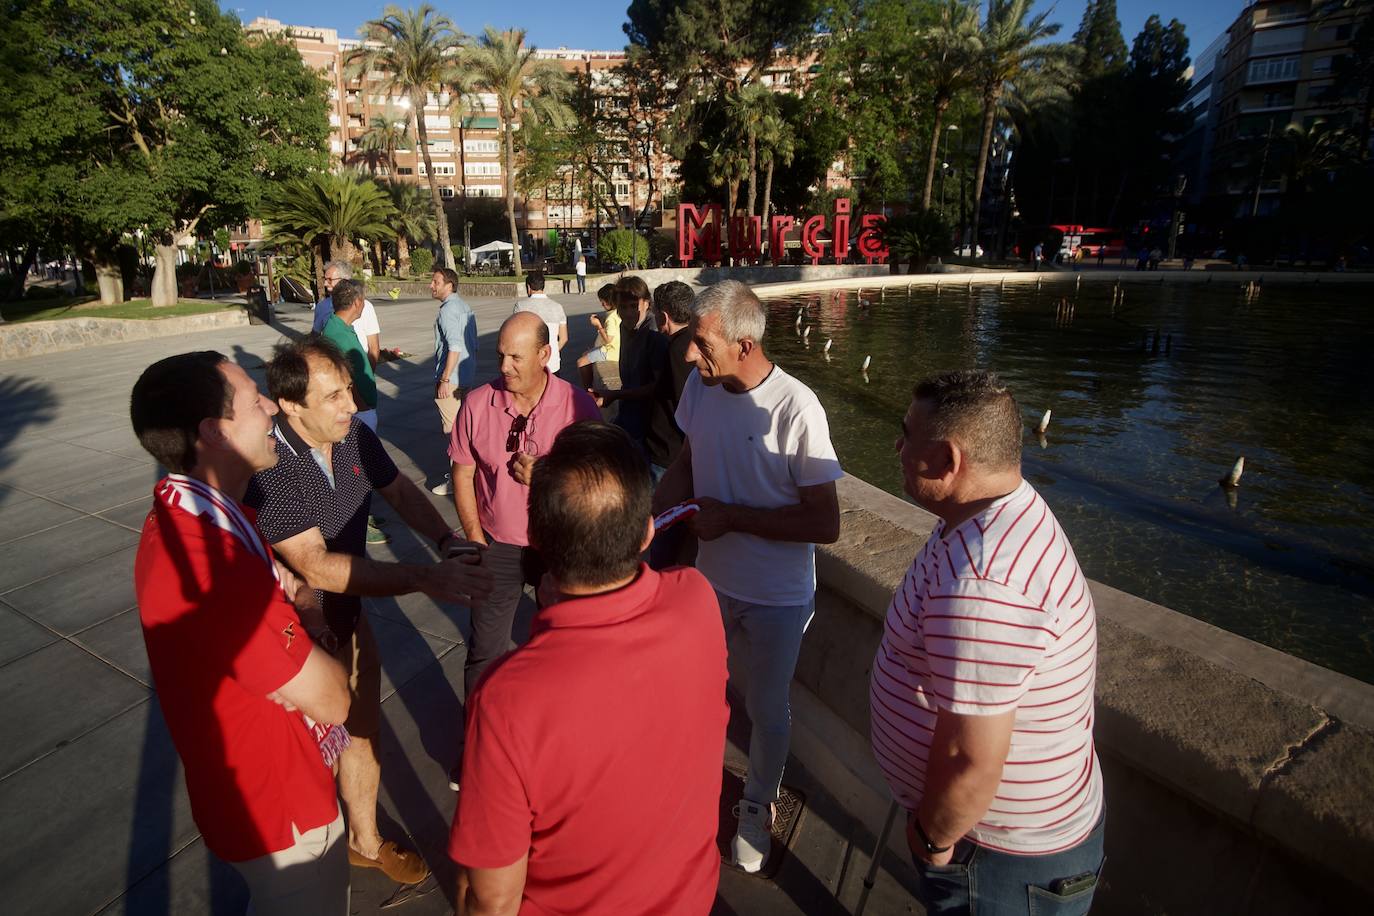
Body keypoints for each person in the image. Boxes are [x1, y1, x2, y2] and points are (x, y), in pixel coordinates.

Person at [449, 421, 729, 915]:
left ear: (535, 537)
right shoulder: (697, 601)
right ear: (646, 531)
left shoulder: (506, 699)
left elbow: (492, 899)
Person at [245, 337, 491, 887]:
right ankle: (309, 863)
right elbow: (315, 566)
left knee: (361, 729)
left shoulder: (353, 435)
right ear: (290, 405)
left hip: (349, 619)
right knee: (305, 755)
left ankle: (363, 839)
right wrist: (429, 577)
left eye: (349, 390)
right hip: (294, 640)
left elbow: (399, 489)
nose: (350, 406)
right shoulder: (269, 467)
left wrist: (446, 540)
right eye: (332, 396)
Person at [871, 370, 1105, 916]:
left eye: (908, 436)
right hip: (1005, 850)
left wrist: (933, 839)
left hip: (996, 865)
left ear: (949, 462)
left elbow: (970, 763)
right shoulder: (993, 512)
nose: (898, 446)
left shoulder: (986, 584)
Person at [131, 351, 352, 915]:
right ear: (214, 431)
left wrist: (297, 613)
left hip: (268, 793)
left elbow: (296, 597)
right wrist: (315, 627)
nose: (272, 413)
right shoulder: (207, 560)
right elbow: (332, 699)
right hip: (281, 811)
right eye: (254, 402)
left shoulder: (213, 517)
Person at [652, 279, 843, 873]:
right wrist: (646, 521)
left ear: (743, 344)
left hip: (776, 599)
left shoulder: (797, 407)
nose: (688, 354)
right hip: (709, 585)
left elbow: (825, 521)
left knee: (766, 707)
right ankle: (696, 788)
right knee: (702, 695)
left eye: (701, 342)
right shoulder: (700, 388)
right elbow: (688, 461)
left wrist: (733, 517)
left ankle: (758, 802)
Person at [449, 312, 601, 702]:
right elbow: (462, 475)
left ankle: (557, 740)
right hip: (496, 545)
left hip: (559, 546)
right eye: (501, 355)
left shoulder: (577, 406)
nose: (504, 367)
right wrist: (475, 539)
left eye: (516, 357)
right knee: (485, 652)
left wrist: (551, 475)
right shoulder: (478, 403)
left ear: (544, 354)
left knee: (565, 646)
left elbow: (601, 483)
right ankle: (478, 745)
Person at [592, 276, 665, 454]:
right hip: (629, 406)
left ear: (646, 303)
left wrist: (616, 395)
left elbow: (657, 386)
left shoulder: (653, 333)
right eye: (622, 307)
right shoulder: (625, 327)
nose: (628, 313)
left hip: (650, 418)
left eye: (633, 306)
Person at [432, 267, 477, 496]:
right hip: (467, 375)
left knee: (453, 432)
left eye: (436, 281)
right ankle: (469, 476)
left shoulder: (448, 311)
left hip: (453, 378)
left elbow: (455, 346)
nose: (432, 286)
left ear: (449, 284)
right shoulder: (465, 307)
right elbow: (472, 344)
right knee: (464, 430)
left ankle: (458, 481)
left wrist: (445, 378)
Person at [320, 280, 378, 432]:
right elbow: (345, 378)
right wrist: (361, 407)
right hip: (358, 412)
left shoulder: (340, 327)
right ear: (357, 302)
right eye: (363, 299)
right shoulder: (340, 336)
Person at [313, 261, 382, 370]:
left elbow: (373, 347)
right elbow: (315, 338)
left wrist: (368, 376)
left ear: (344, 280)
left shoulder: (365, 306)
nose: (325, 284)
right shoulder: (321, 307)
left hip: (359, 368)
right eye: (325, 279)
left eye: (330, 280)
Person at [513, 272, 569, 376]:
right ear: (543, 286)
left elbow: (516, 337)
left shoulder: (520, 307)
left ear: (528, 287)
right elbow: (564, 338)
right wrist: (553, 351)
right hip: (552, 363)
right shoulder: (557, 307)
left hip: (529, 364)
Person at [576, 283, 621, 390]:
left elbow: (608, 340)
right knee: (585, 354)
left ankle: (587, 390)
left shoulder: (611, 318)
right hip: (617, 349)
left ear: (608, 301)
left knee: (581, 362)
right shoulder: (616, 312)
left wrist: (598, 325)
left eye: (602, 301)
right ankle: (591, 385)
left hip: (611, 352)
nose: (601, 304)